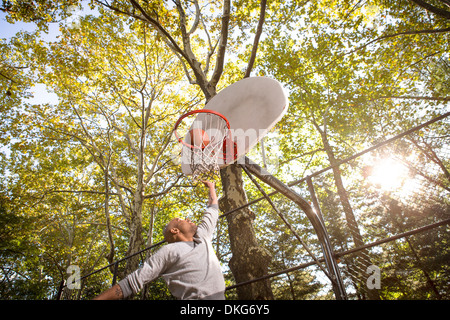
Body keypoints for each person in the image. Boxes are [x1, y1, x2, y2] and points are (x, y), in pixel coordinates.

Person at [93, 181, 226, 300]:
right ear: (175, 230)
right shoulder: (168, 251)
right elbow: (132, 282)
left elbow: (212, 208)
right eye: (180, 220)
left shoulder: (203, 237)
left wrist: (211, 187)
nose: (188, 219)